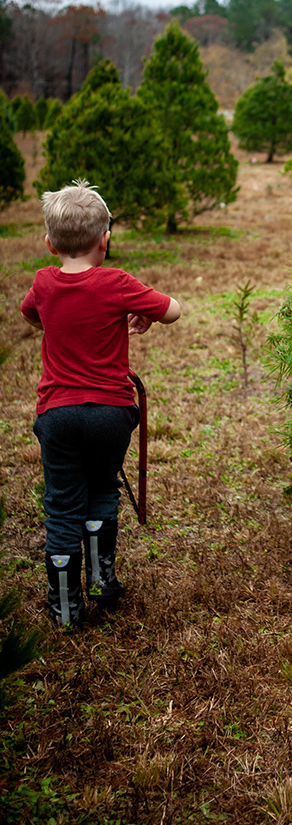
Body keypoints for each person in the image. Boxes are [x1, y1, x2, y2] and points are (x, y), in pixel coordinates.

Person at [20, 180, 181, 630]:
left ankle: (66, 608)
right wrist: (143, 310)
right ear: (105, 240)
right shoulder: (117, 283)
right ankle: (100, 579)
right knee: (103, 488)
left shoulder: (43, 283)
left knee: (63, 504)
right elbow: (172, 309)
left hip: (57, 414)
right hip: (110, 413)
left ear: (50, 243)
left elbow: (29, 313)